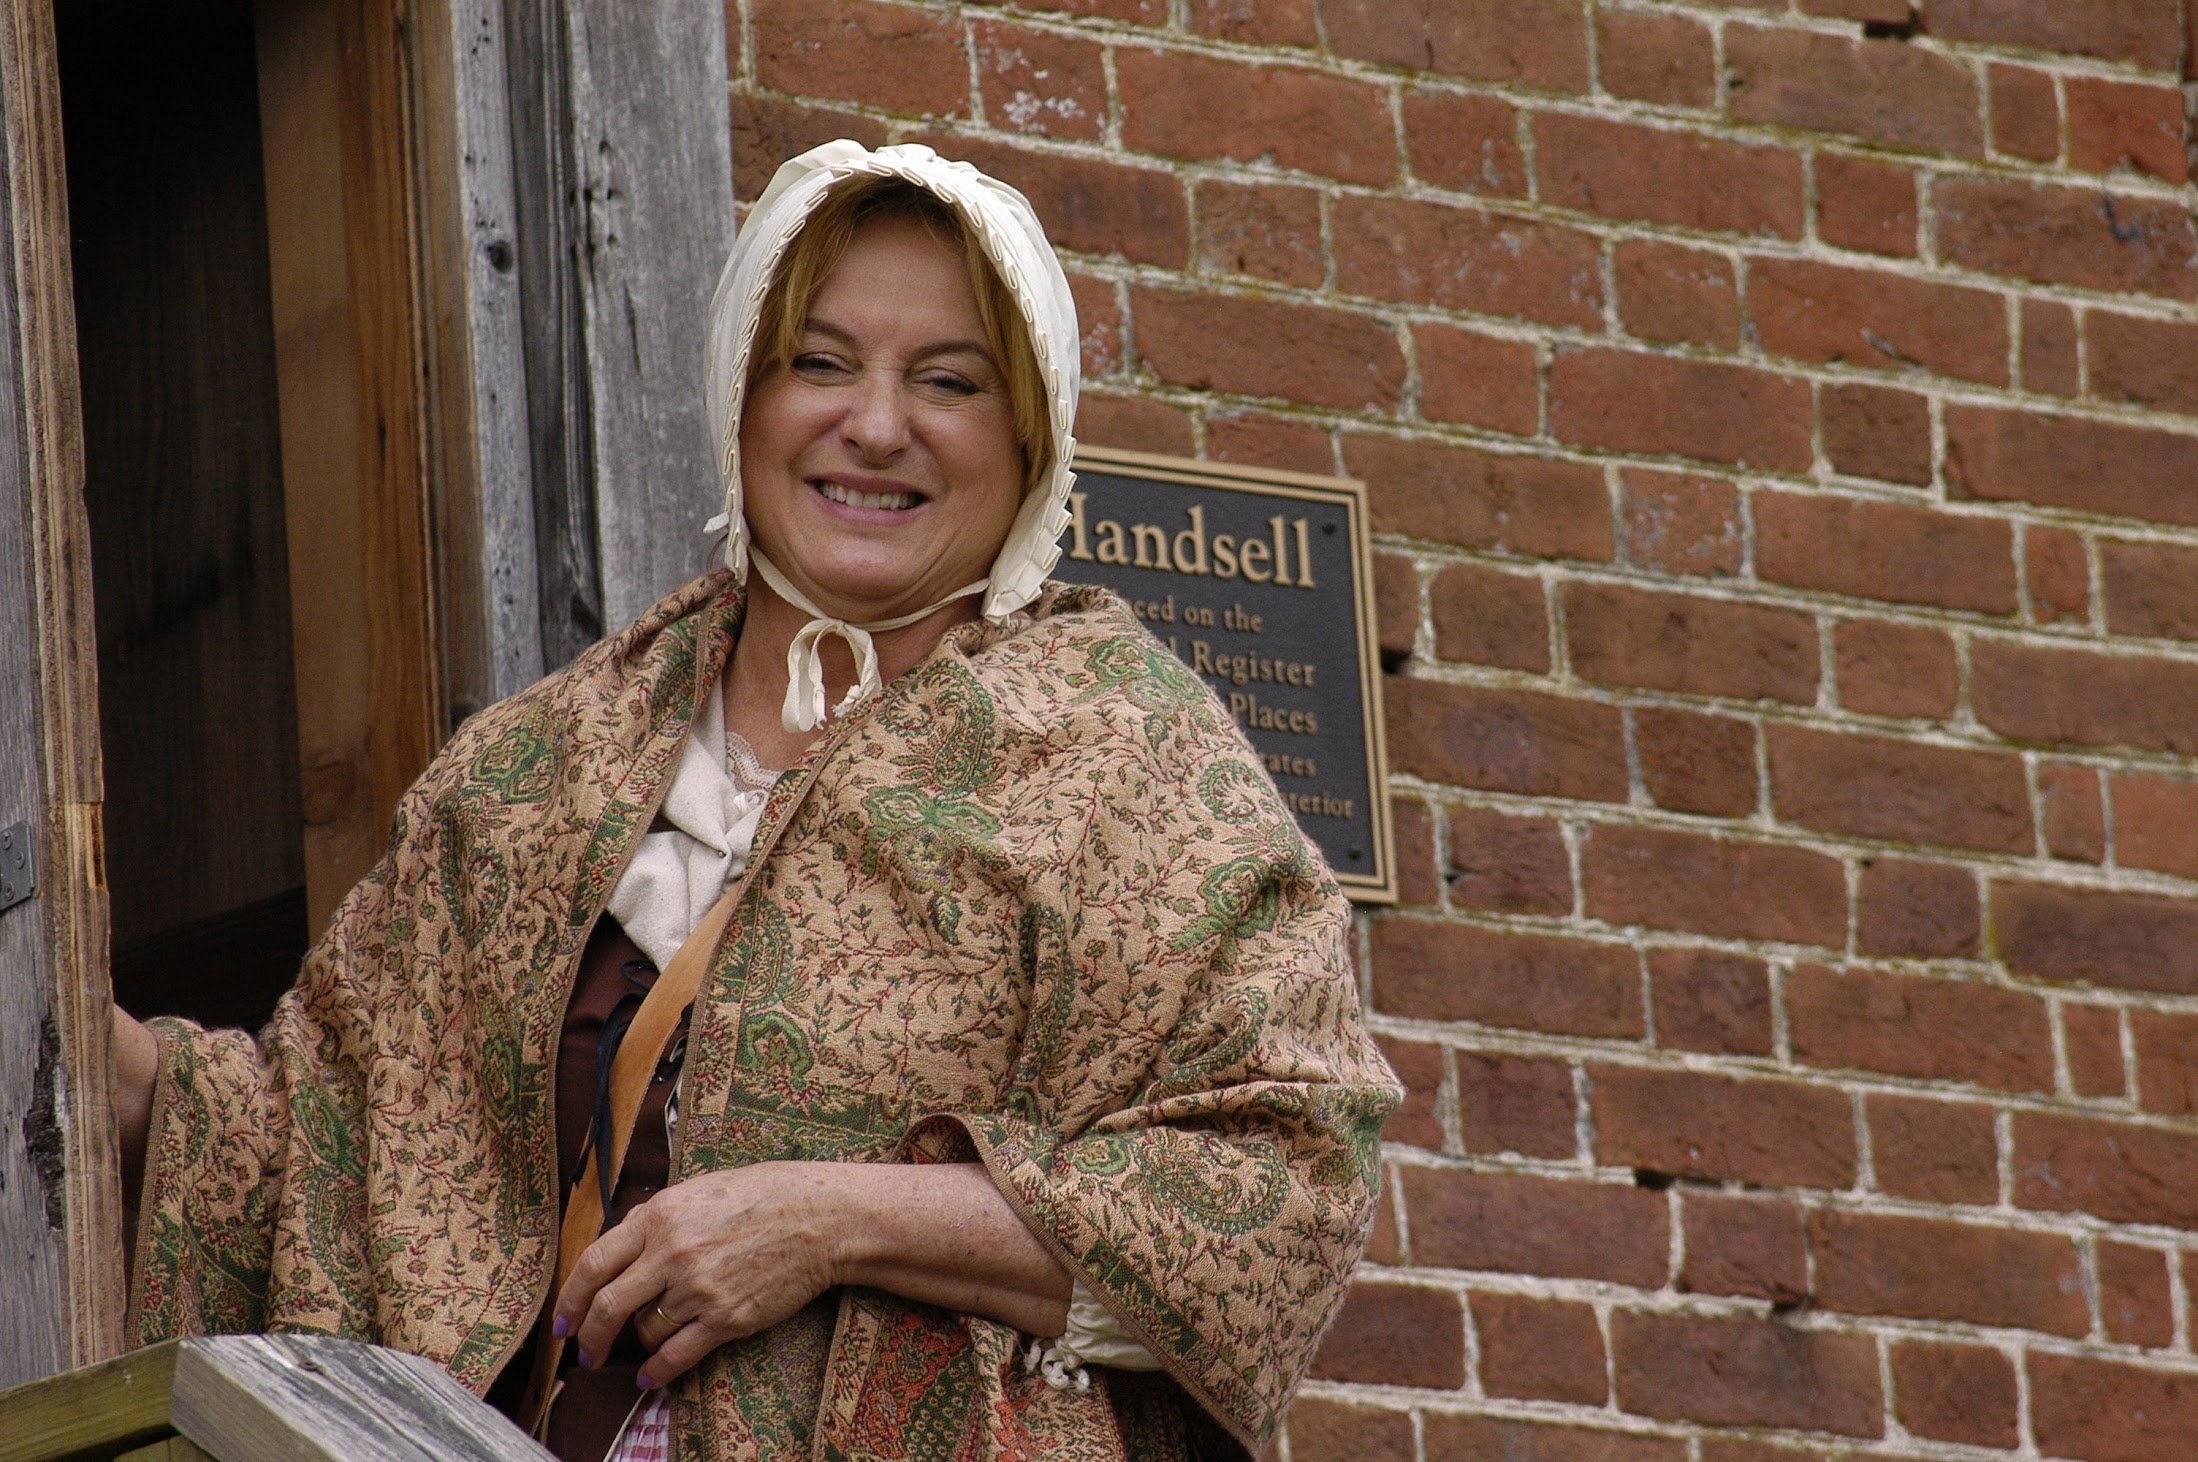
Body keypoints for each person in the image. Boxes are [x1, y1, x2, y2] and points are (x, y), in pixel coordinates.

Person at [113, 140, 1398, 1461]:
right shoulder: (540, 767)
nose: (877, 424)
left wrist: (826, 1217)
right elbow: (324, 1146)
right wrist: (110, 1073)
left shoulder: (1135, 761)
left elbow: (1282, 1194)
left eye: (947, 381)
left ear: (1030, 433)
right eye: (818, 361)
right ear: (741, 393)